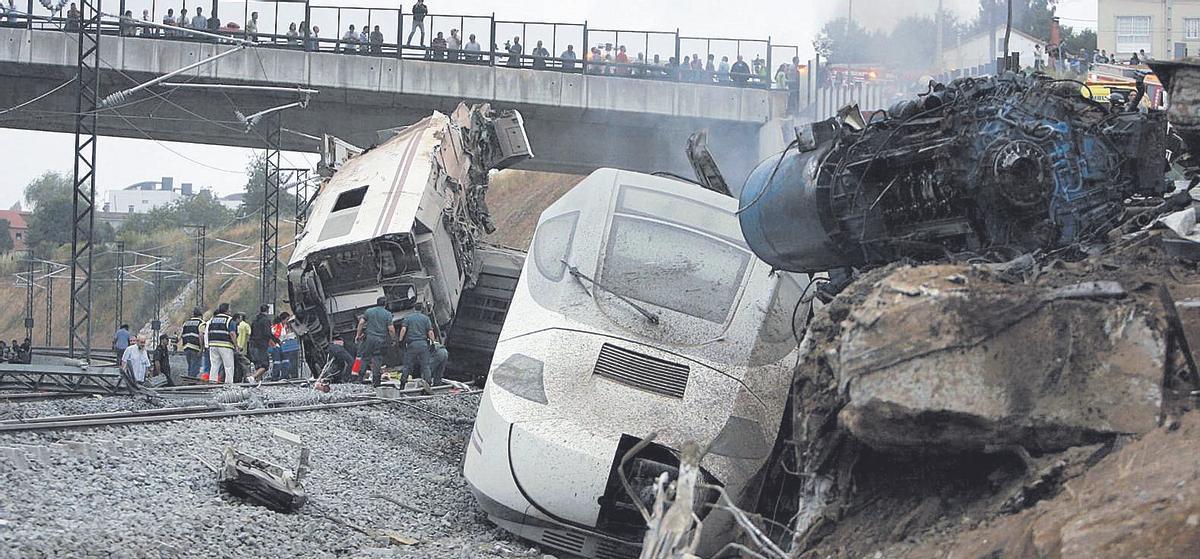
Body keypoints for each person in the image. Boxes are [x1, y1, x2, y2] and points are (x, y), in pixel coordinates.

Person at [355, 296, 396, 388]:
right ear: (385, 304)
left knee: (363, 357)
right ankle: (376, 383)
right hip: (381, 341)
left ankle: (358, 379)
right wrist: (393, 339)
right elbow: (391, 329)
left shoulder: (369, 311)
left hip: (368, 339)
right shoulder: (388, 314)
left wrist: (358, 335)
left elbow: (361, 323)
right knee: (377, 359)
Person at [397, 307, 437, 393]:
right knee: (425, 365)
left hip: (412, 344)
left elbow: (403, 329)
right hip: (423, 344)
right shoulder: (426, 319)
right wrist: (433, 343)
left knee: (407, 365)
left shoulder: (408, 318)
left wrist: (400, 340)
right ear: (421, 310)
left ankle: (402, 384)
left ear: (414, 309)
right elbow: (430, 332)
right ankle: (428, 384)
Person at [205, 303, 237, 384]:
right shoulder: (229, 320)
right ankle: (228, 384)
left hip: (213, 345)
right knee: (229, 366)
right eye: (229, 309)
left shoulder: (212, 319)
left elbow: (208, 332)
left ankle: (212, 383)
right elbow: (232, 333)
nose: (230, 310)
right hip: (225, 345)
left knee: (214, 365)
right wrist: (236, 345)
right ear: (226, 310)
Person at [249, 304, 277, 381]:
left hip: (252, 344)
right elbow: (267, 333)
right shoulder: (266, 320)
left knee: (257, 365)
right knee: (265, 365)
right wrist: (276, 341)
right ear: (267, 310)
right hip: (261, 345)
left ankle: (258, 381)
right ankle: (252, 377)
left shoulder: (254, 319)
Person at [272, 312, 300, 380]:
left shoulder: (287, 327)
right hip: (278, 346)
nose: (288, 321)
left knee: (286, 361)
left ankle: (285, 375)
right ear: (283, 319)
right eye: (287, 319)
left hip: (286, 347)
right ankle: (275, 376)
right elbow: (275, 336)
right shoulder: (277, 326)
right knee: (277, 362)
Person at [181, 307, 204, 379]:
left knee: (190, 365)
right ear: (200, 315)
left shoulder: (186, 323)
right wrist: (201, 348)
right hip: (195, 347)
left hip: (186, 347)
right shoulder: (201, 323)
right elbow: (201, 335)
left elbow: (182, 335)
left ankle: (189, 380)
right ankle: (191, 382)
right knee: (195, 366)